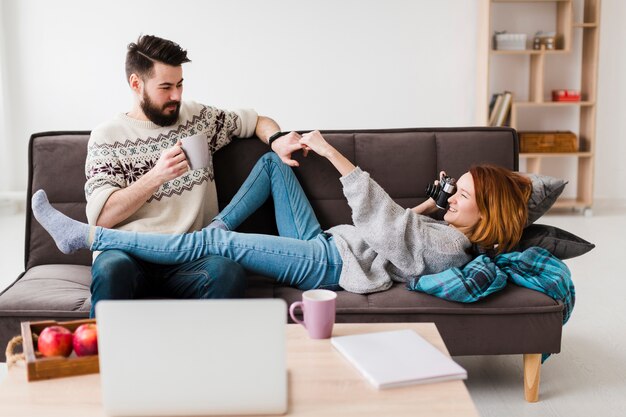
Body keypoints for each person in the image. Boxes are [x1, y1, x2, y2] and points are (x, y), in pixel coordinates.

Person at [33, 130, 533, 295]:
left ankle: (91, 237)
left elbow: (386, 223)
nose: (452, 200)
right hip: (328, 240)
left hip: (332, 265)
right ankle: (215, 226)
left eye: (462, 196)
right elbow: (403, 231)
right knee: (274, 165)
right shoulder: (446, 231)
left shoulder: (450, 248)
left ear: (487, 217)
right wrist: (433, 201)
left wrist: (332, 152)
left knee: (218, 246)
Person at [83, 34, 305, 317]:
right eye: (165, 87)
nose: (176, 96)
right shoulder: (107, 137)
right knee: (110, 269)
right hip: (130, 255)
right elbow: (101, 218)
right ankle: (102, 361)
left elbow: (256, 120)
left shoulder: (197, 119)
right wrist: (157, 176)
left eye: (179, 84)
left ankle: (210, 359)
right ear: (136, 84)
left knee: (226, 272)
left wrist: (276, 139)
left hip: (190, 256)